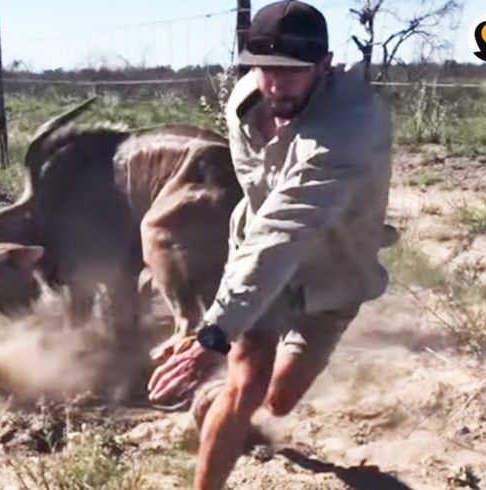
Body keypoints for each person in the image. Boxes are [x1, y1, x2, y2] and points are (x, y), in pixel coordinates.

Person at [146, 1, 396, 489]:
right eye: (266, 69)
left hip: (335, 277)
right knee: (246, 384)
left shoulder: (349, 127)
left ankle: (216, 400)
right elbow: (262, 223)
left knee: (279, 400)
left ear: (325, 67)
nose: (276, 85)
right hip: (261, 267)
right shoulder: (245, 102)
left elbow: (286, 227)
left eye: (293, 73)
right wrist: (225, 324)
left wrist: (213, 333)